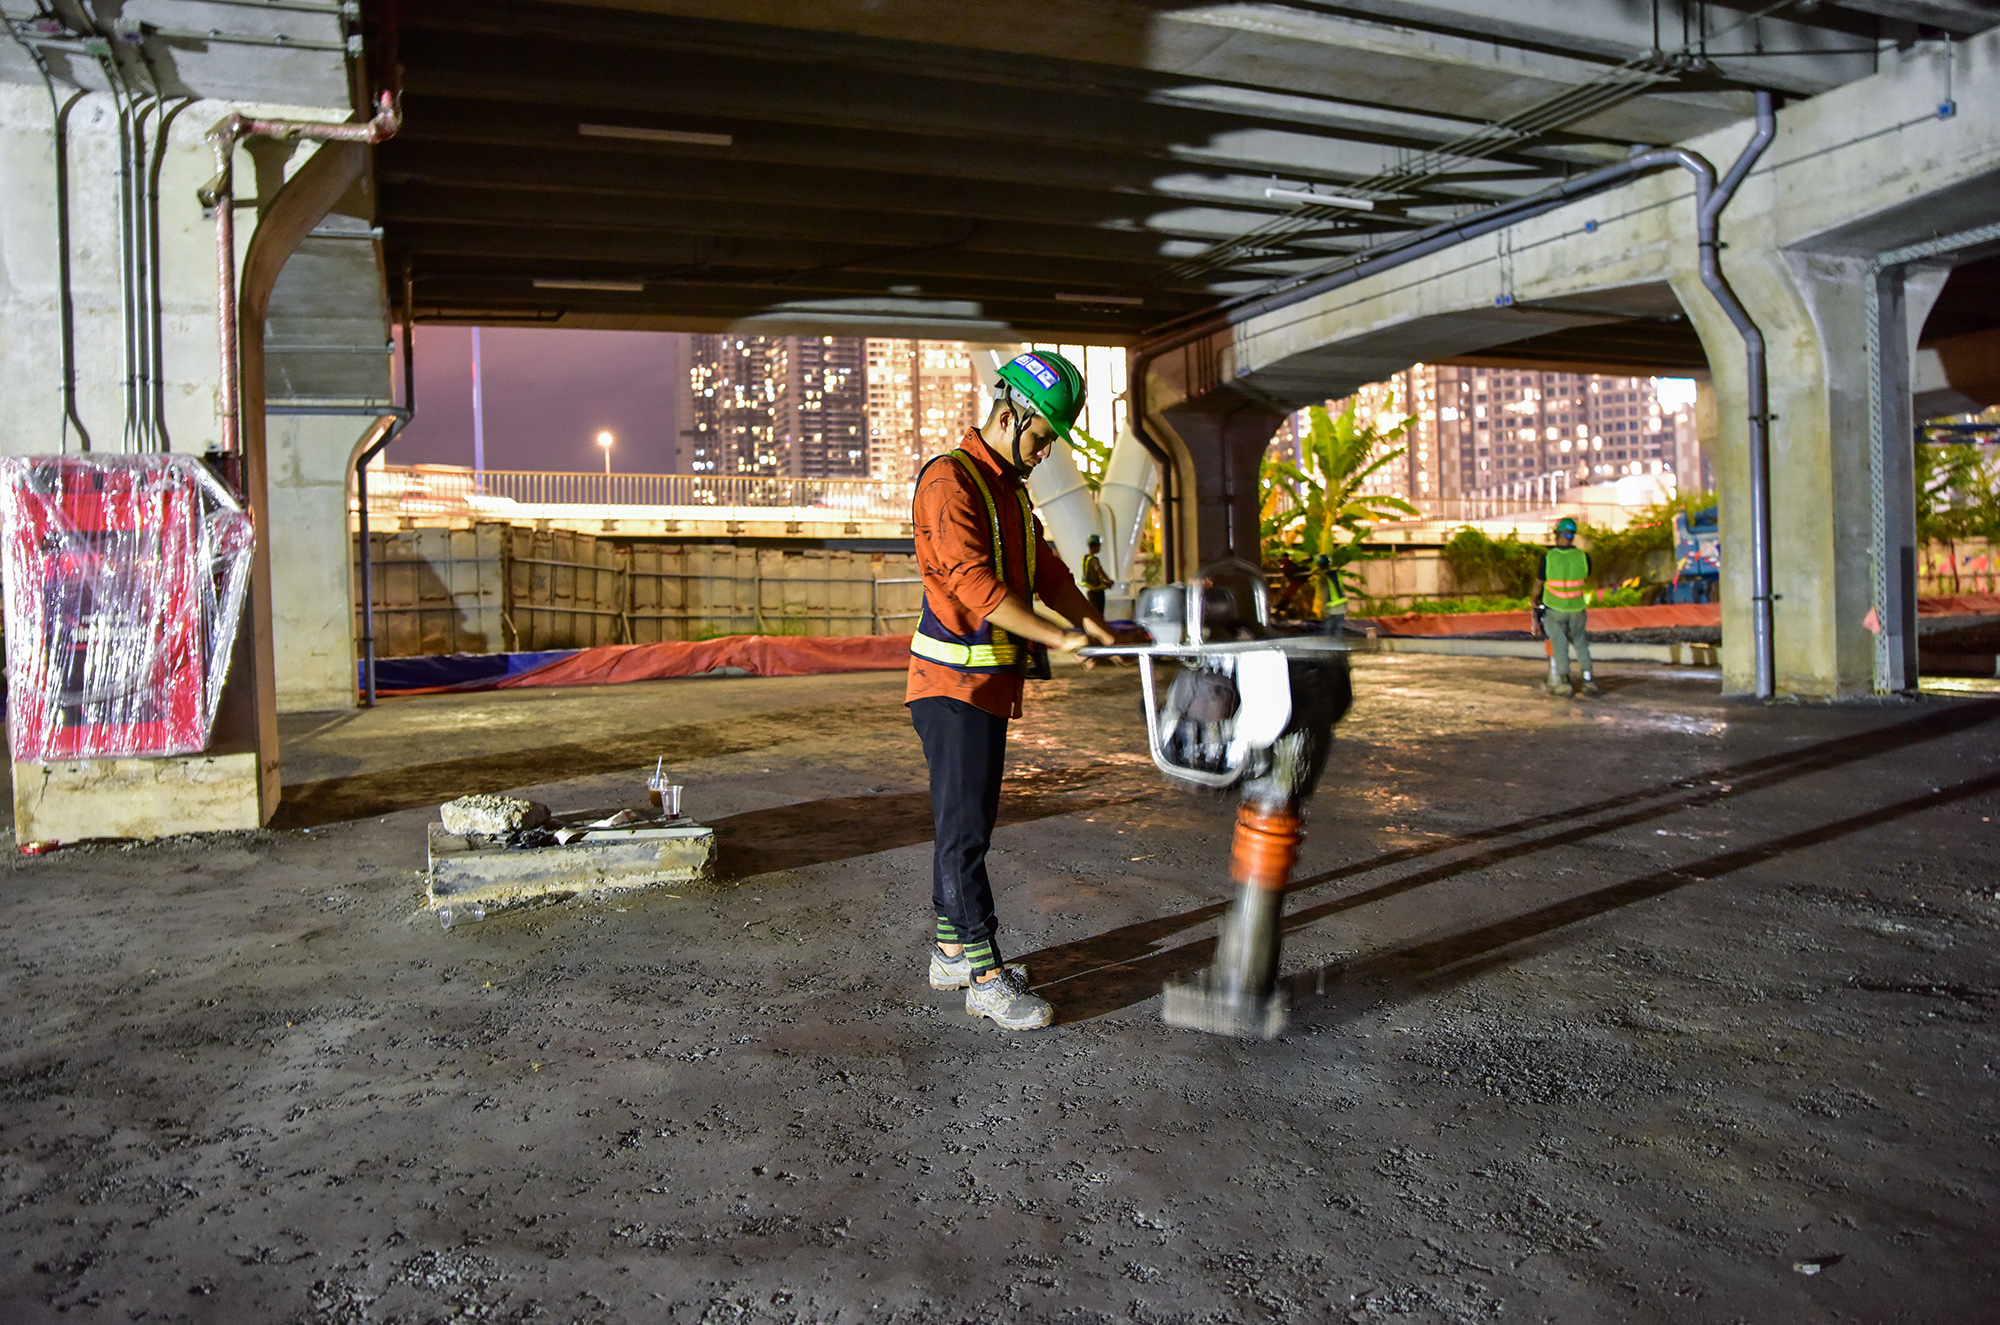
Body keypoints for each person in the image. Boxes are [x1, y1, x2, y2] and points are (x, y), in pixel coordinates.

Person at [908, 349, 1122, 1031]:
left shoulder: (1007, 487)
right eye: (1040, 437)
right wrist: (1059, 640)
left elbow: (1046, 568)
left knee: (968, 826)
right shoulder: (951, 481)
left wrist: (1095, 624)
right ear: (1007, 415)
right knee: (964, 833)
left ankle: (950, 952)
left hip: (987, 686)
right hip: (952, 686)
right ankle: (985, 976)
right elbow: (976, 586)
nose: (1044, 451)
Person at [1532, 516, 1600, 697]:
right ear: (1572, 536)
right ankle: (1588, 680)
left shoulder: (1548, 557)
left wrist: (1533, 601)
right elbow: (1587, 575)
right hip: (1577, 609)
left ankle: (1564, 682)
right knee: (1580, 642)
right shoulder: (1583, 557)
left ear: (1557, 535)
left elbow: (1539, 583)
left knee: (1560, 645)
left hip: (1555, 609)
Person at [1313, 553, 1346, 637]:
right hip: (1341, 606)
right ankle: (1340, 649)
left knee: (1327, 632)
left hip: (1331, 608)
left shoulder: (1322, 578)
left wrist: (1323, 610)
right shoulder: (1336, 574)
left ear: (1318, 565)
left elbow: (1325, 594)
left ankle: (1328, 649)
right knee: (1339, 631)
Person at [1080, 534, 1113, 616]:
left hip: (1090, 590)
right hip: (1097, 592)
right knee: (1099, 614)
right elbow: (1100, 571)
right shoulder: (1094, 559)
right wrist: (1108, 581)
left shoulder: (1085, 558)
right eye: (1098, 546)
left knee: (1094, 613)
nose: (1099, 549)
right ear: (1094, 547)